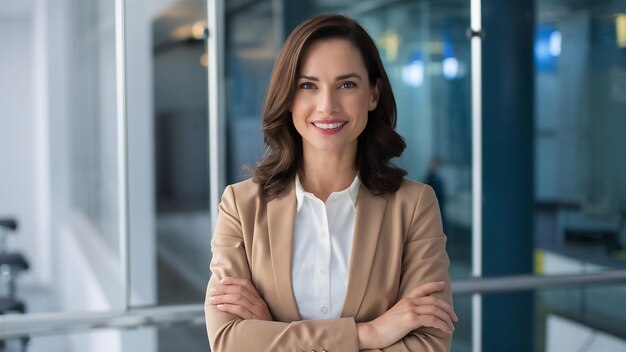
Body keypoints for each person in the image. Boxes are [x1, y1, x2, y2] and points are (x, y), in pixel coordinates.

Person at [205, 14, 457, 351]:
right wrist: (369, 333)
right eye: (308, 85)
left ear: (373, 95)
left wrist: (272, 333)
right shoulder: (241, 205)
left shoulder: (413, 206)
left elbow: (429, 344)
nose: (327, 106)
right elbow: (227, 342)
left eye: (347, 84)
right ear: (289, 96)